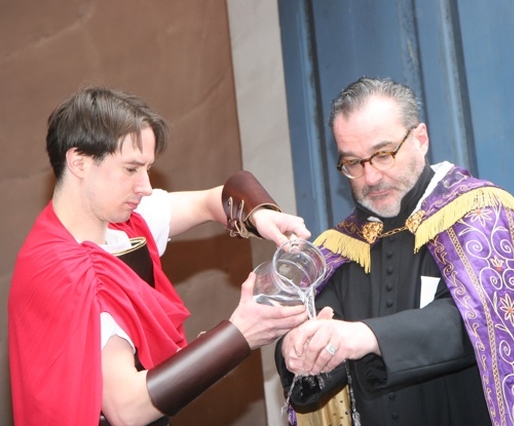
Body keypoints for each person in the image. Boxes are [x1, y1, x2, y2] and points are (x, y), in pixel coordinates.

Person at [275, 77, 514, 425]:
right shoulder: (338, 249)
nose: (370, 177)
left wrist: (364, 336)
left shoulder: (480, 214)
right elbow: (316, 365)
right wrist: (295, 350)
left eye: (382, 154)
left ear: (421, 138)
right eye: (353, 163)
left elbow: (481, 320)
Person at [8, 86, 312, 426]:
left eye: (148, 168)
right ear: (79, 162)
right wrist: (240, 333)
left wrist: (258, 213)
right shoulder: (65, 274)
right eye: (131, 169)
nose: (146, 186)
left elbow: (210, 201)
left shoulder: (119, 221)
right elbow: (126, 408)